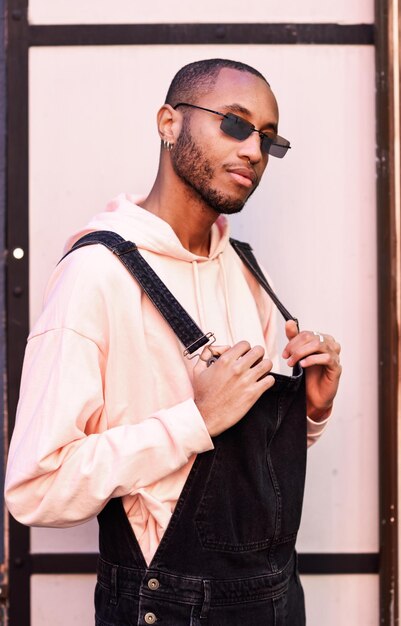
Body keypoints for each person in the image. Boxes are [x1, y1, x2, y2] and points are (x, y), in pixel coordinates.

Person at [5, 58, 341, 625]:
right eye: (234, 124)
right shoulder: (97, 275)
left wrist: (311, 411)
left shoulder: (244, 269)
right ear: (168, 123)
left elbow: (239, 478)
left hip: (277, 599)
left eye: (267, 139)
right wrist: (193, 419)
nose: (254, 152)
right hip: (168, 606)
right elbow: (36, 489)